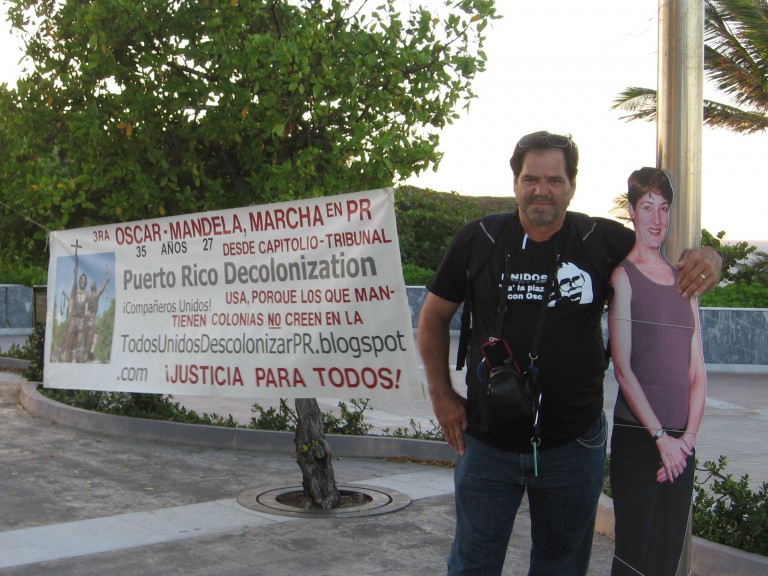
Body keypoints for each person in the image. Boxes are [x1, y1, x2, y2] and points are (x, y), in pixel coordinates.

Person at [417, 130, 722, 576]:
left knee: (561, 567)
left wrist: (711, 257)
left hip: (572, 447)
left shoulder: (603, 240)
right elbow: (432, 317)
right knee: (472, 564)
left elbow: (669, 266)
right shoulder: (478, 239)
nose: (542, 190)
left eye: (554, 180)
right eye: (531, 179)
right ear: (516, 182)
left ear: (572, 185)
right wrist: (442, 396)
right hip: (487, 444)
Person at [608, 168, 707, 576]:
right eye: (647, 207)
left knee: (666, 559)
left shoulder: (685, 283)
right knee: (634, 559)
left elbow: (697, 372)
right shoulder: (623, 278)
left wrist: (685, 443)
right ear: (632, 212)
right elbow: (623, 369)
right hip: (638, 439)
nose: (656, 219)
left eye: (663, 208)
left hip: (680, 447)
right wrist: (661, 439)